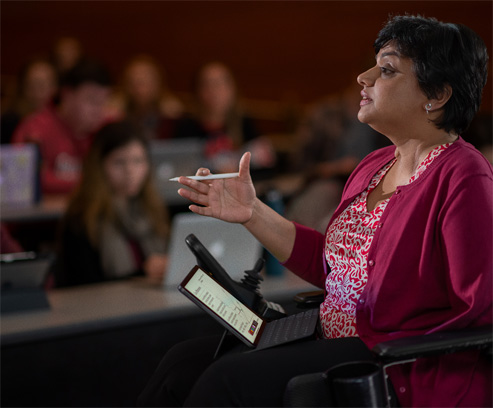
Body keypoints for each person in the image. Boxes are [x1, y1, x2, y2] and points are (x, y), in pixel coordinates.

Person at [138, 15, 492, 407]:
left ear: (437, 95)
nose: (363, 77)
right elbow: (332, 266)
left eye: (387, 70)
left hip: (393, 362)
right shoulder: (374, 166)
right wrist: (252, 211)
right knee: (181, 363)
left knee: (226, 382)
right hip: (330, 337)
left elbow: (479, 309)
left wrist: (395, 341)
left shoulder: (464, 174)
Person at [53, 120, 169, 287]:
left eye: (138, 161)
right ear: (99, 166)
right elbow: (85, 285)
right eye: (119, 162)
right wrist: (144, 273)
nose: (130, 171)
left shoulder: (151, 209)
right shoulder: (81, 218)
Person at [11, 58, 112, 195]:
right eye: (92, 100)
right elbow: (23, 180)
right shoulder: (35, 129)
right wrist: (89, 182)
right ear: (67, 95)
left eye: (104, 101)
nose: (99, 110)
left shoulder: (108, 128)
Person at [173, 61, 276, 173]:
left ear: (233, 89)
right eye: (207, 84)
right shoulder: (186, 127)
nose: (214, 91)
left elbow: (267, 168)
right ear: (197, 91)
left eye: (220, 83)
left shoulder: (245, 124)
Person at [112, 54, 184, 140]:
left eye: (145, 81)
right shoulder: (117, 113)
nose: (139, 89)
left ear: (159, 83)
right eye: (134, 82)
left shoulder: (172, 116)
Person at [1, 57, 58, 144]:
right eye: (31, 85)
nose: (37, 92)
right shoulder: (10, 122)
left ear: (55, 87)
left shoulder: (63, 120)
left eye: (42, 85)